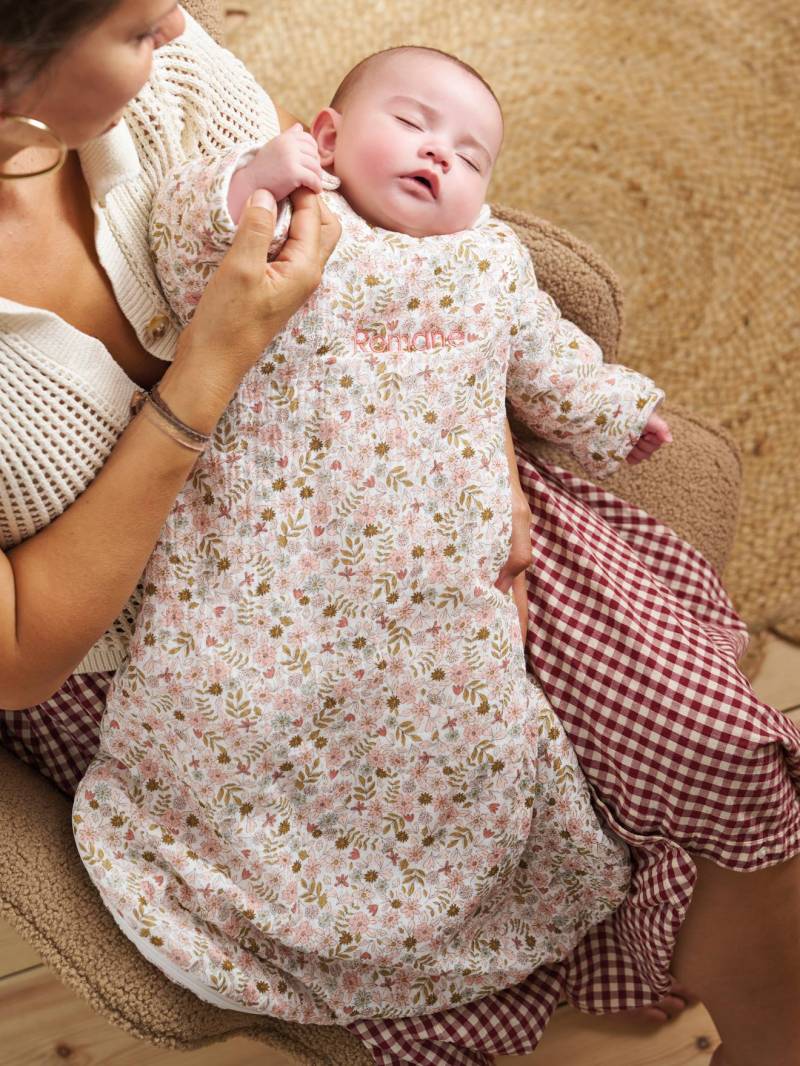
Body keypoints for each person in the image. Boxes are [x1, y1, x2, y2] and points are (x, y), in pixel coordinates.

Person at [0, 5, 798, 1066]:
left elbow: (343, 197)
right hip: (171, 641)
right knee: (366, 881)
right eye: (139, 30)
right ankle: (531, 991)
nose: (181, 27)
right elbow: (19, 651)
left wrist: (495, 463)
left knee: (716, 747)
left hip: (417, 502)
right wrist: (210, 365)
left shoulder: (168, 75)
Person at [72, 42, 673, 1023]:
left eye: (471, 156)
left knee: (459, 729)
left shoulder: (488, 260)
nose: (441, 154)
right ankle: (232, 869)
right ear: (325, 137)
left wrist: (614, 411)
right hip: (265, 566)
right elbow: (185, 244)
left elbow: (547, 360)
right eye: (413, 123)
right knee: (225, 697)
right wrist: (252, 183)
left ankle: (429, 907)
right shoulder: (300, 224)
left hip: (425, 586)